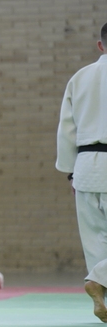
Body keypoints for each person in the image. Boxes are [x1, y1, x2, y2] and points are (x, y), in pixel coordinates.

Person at [56, 23, 107, 275]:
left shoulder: (79, 78)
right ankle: (98, 282)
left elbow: (67, 129)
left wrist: (70, 172)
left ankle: (102, 292)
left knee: (94, 240)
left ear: (101, 45)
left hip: (86, 168)